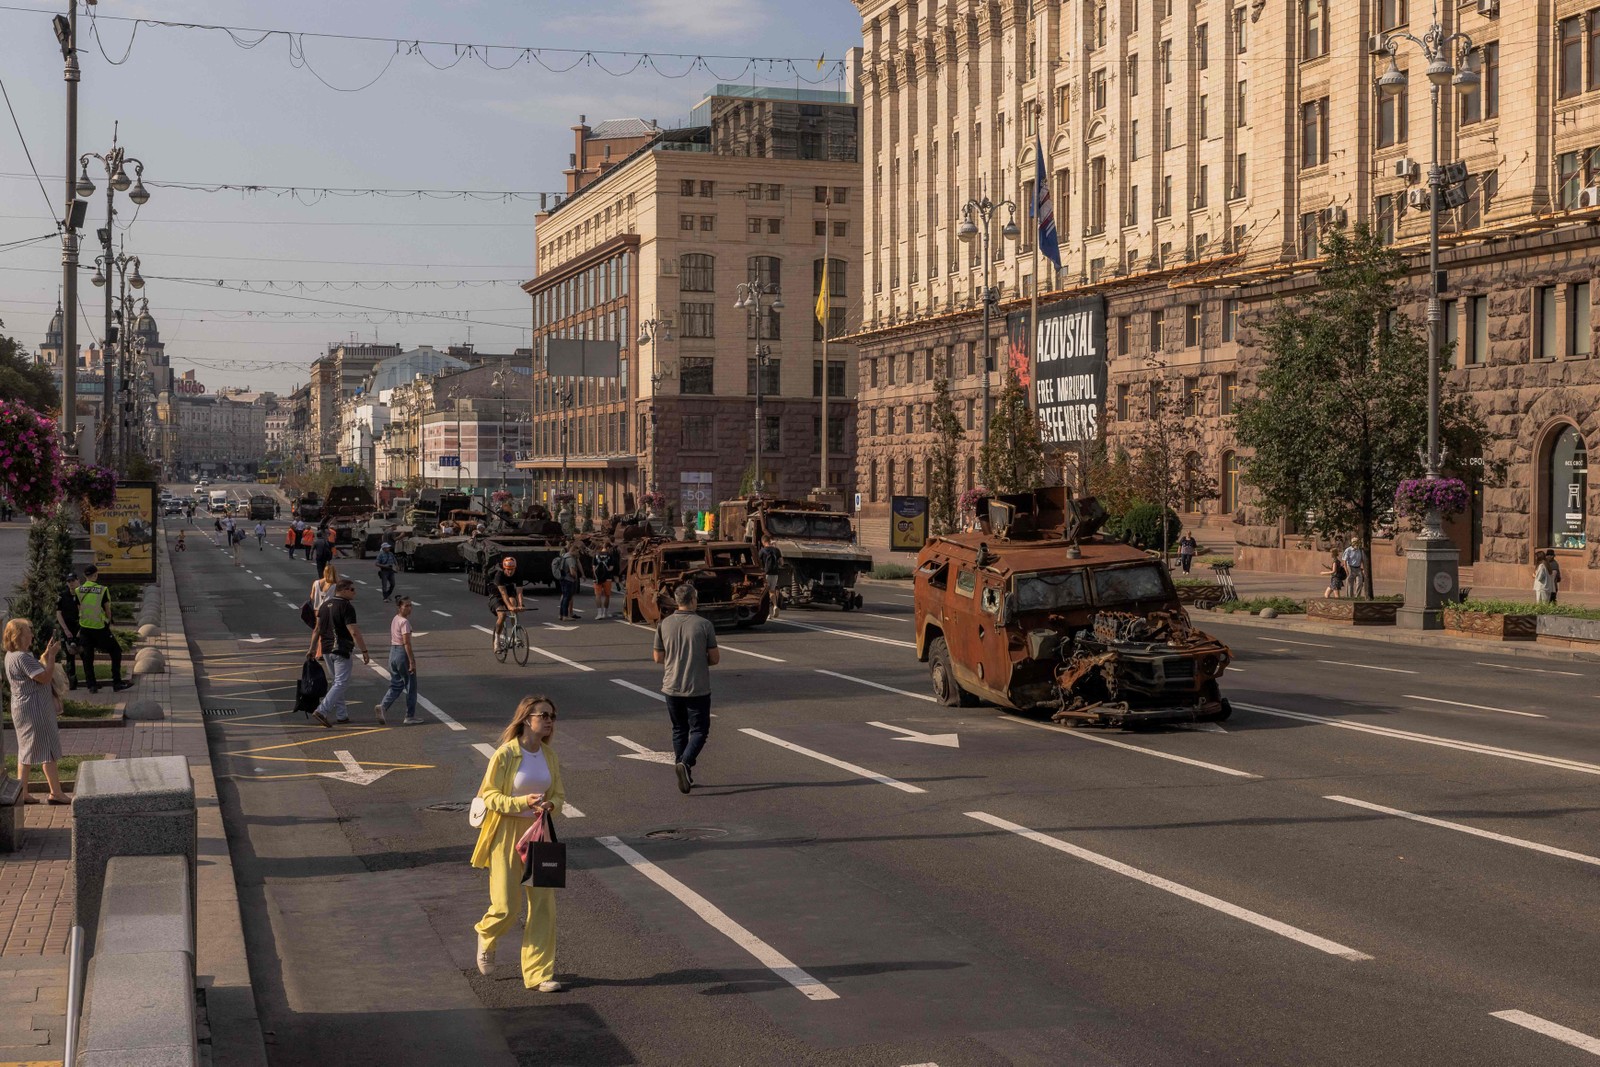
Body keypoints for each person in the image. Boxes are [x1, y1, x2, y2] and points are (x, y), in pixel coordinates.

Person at [471, 695, 567, 992]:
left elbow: (559, 795)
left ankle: (538, 974)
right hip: (505, 832)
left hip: (539, 832)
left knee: (542, 906)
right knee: (506, 905)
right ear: (527, 719)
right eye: (544, 715)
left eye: (552, 715)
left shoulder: (549, 756)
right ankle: (487, 934)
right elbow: (488, 796)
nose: (550, 720)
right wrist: (520, 801)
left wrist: (551, 805)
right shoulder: (505, 754)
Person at [653, 583, 719, 794]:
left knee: (679, 729)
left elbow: (657, 657)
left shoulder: (663, 624)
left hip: (671, 686)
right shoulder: (704, 624)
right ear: (692, 600)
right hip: (697, 687)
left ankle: (683, 768)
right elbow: (715, 658)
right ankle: (686, 763)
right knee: (700, 730)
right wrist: (698, 660)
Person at [3, 619, 69, 805]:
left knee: (25, 750)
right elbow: (45, 677)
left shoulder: (12, 655)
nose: (32, 635)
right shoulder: (22, 658)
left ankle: (22, 792)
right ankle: (56, 792)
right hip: (36, 709)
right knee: (47, 748)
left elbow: (37, 669)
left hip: (23, 708)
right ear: (19, 636)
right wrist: (53, 656)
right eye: (28, 633)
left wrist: (46, 654)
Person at [307, 577, 372, 727]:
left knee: (337, 682)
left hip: (326, 650)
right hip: (341, 649)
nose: (354, 593)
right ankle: (322, 710)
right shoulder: (346, 607)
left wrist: (311, 649)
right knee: (341, 683)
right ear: (342, 590)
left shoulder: (324, 606)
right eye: (352, 590)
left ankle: (342, 715)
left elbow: (317, 629)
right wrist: (364, 650)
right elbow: (354, 631)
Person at [76, 566, 132, 693]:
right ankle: (117, 682)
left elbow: (79, 609)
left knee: (88, 657)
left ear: (85, 576)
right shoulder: (102, 590)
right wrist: (108, 621)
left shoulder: (78, 590)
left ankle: (92, 685)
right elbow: (107, 610)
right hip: (100, 628)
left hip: (84, 627)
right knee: (116, 651)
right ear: (96, 575)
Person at [376, 596, 422, 726]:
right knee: (410, 686)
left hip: (393, 652)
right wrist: (412, 661)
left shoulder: (395, 619)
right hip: (402, 653)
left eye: (410, 605)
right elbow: (406, 643)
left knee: (396, 684)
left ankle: (383, 706)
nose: (409, 608)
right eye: (406, 605)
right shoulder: (404, 622)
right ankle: (410, 716)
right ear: (399, 607)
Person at [53, 572, 85, 691]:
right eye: (69, 581)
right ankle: (72, 682)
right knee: (69, 656)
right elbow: (58, 613)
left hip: (81, 628)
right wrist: (66, 630)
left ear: (78, 581)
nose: (71, 583)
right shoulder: (62, 596)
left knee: (85, 655)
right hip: (67, 629)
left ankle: (91, 682)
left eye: (73, 581)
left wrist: (81, 630)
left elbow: (85, 613)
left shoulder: (83, 595)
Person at [491, 557, 526, 651]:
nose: (510, 572)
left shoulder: (518, 573)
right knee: (502, 615)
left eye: (512, 570)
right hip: (496, 595)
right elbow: (503, 593)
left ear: (515, 568)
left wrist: (521, 605)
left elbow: (519, 592)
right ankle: (497, 640)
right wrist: (509, 607)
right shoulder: (499, 575)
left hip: (510, 592)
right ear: (504, 568)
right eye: (508, 570)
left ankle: (515, 635)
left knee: (514, 604)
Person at [552, 542, 582, 622]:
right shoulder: (571, 559)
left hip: (563, 578)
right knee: (567, 598)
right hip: (568, 580)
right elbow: (572, 572)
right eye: (577, 552)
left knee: (564, 597)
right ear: (574, 550)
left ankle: (561, 615)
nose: (578, 554)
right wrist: (575, 576)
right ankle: (565, 616)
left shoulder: (564, 556)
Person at [758, 536, 784, 619]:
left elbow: (758, 562)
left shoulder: (762, 551)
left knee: (766, 593)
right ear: (770, 541)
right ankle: (775, 606)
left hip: (766, 574)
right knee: (772, 591)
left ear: (763, 542)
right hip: (775, 574)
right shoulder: (776, 550)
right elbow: (782, 563)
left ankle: (768, 613)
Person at [592, 540, 618, 620]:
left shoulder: (596, 555)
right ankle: (605, 613)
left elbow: (593, 567)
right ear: (608, 547)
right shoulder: (610, 555)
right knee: (607, 596)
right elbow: (611, 568)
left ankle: (599, 613)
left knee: (598, 596)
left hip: (597, 578)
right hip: (607, 578)